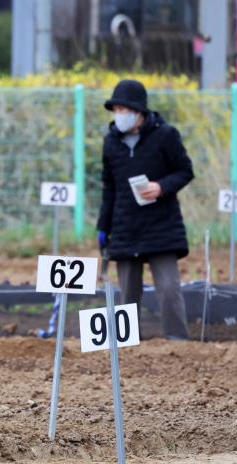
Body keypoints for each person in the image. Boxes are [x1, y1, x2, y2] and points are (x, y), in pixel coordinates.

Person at [97, 79, 194, 340]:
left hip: (161, 226)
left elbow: (185, 171)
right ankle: (126, 343)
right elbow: (109, 188)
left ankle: (178, 341)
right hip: (125, 227)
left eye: (124, 110)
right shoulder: (111, 143)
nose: (120, 115)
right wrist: (103, 228)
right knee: (128, 292)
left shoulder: (165, 135)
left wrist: (161, 187)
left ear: (139, 111)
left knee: (169, 288)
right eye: (116, 110)